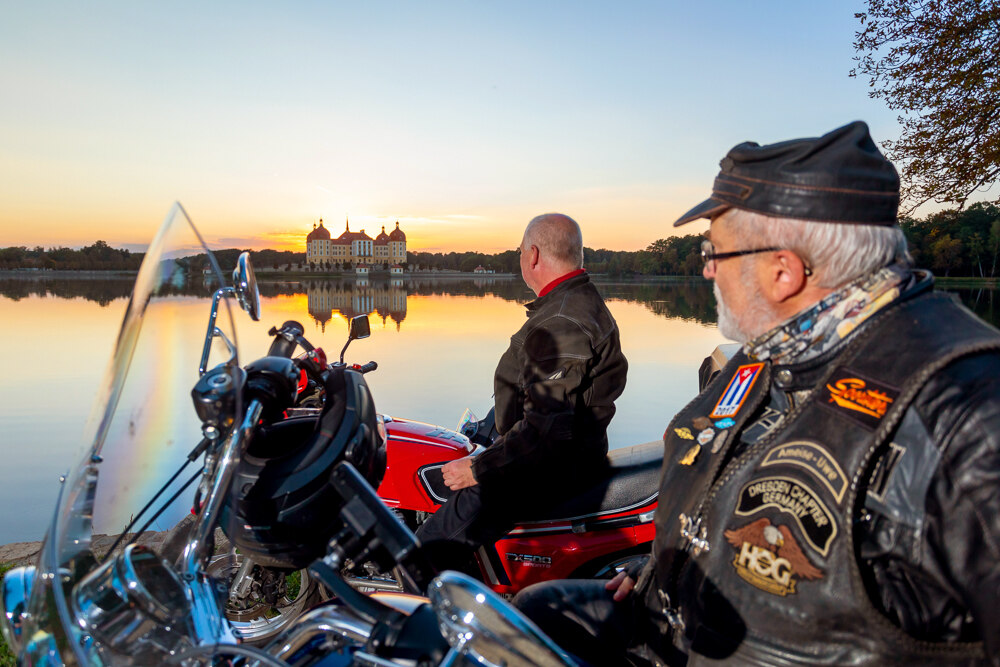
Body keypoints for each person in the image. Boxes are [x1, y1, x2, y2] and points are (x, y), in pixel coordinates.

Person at [514, 122, 1000, 666]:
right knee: (534, 614)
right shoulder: (770, 355)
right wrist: (655, 573)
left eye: (714, 252)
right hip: (677, 625)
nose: (707, 270)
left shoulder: (970, 413)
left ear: (782, 271)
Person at [415, 213, 628, 572]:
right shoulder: (572, 302)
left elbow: (547, 432)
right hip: (546, 458)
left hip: (544, 470)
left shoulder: (562, 320)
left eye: (518, 253)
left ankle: (411, 621)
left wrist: (479, 469)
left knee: (421, 554)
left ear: (532, 255)